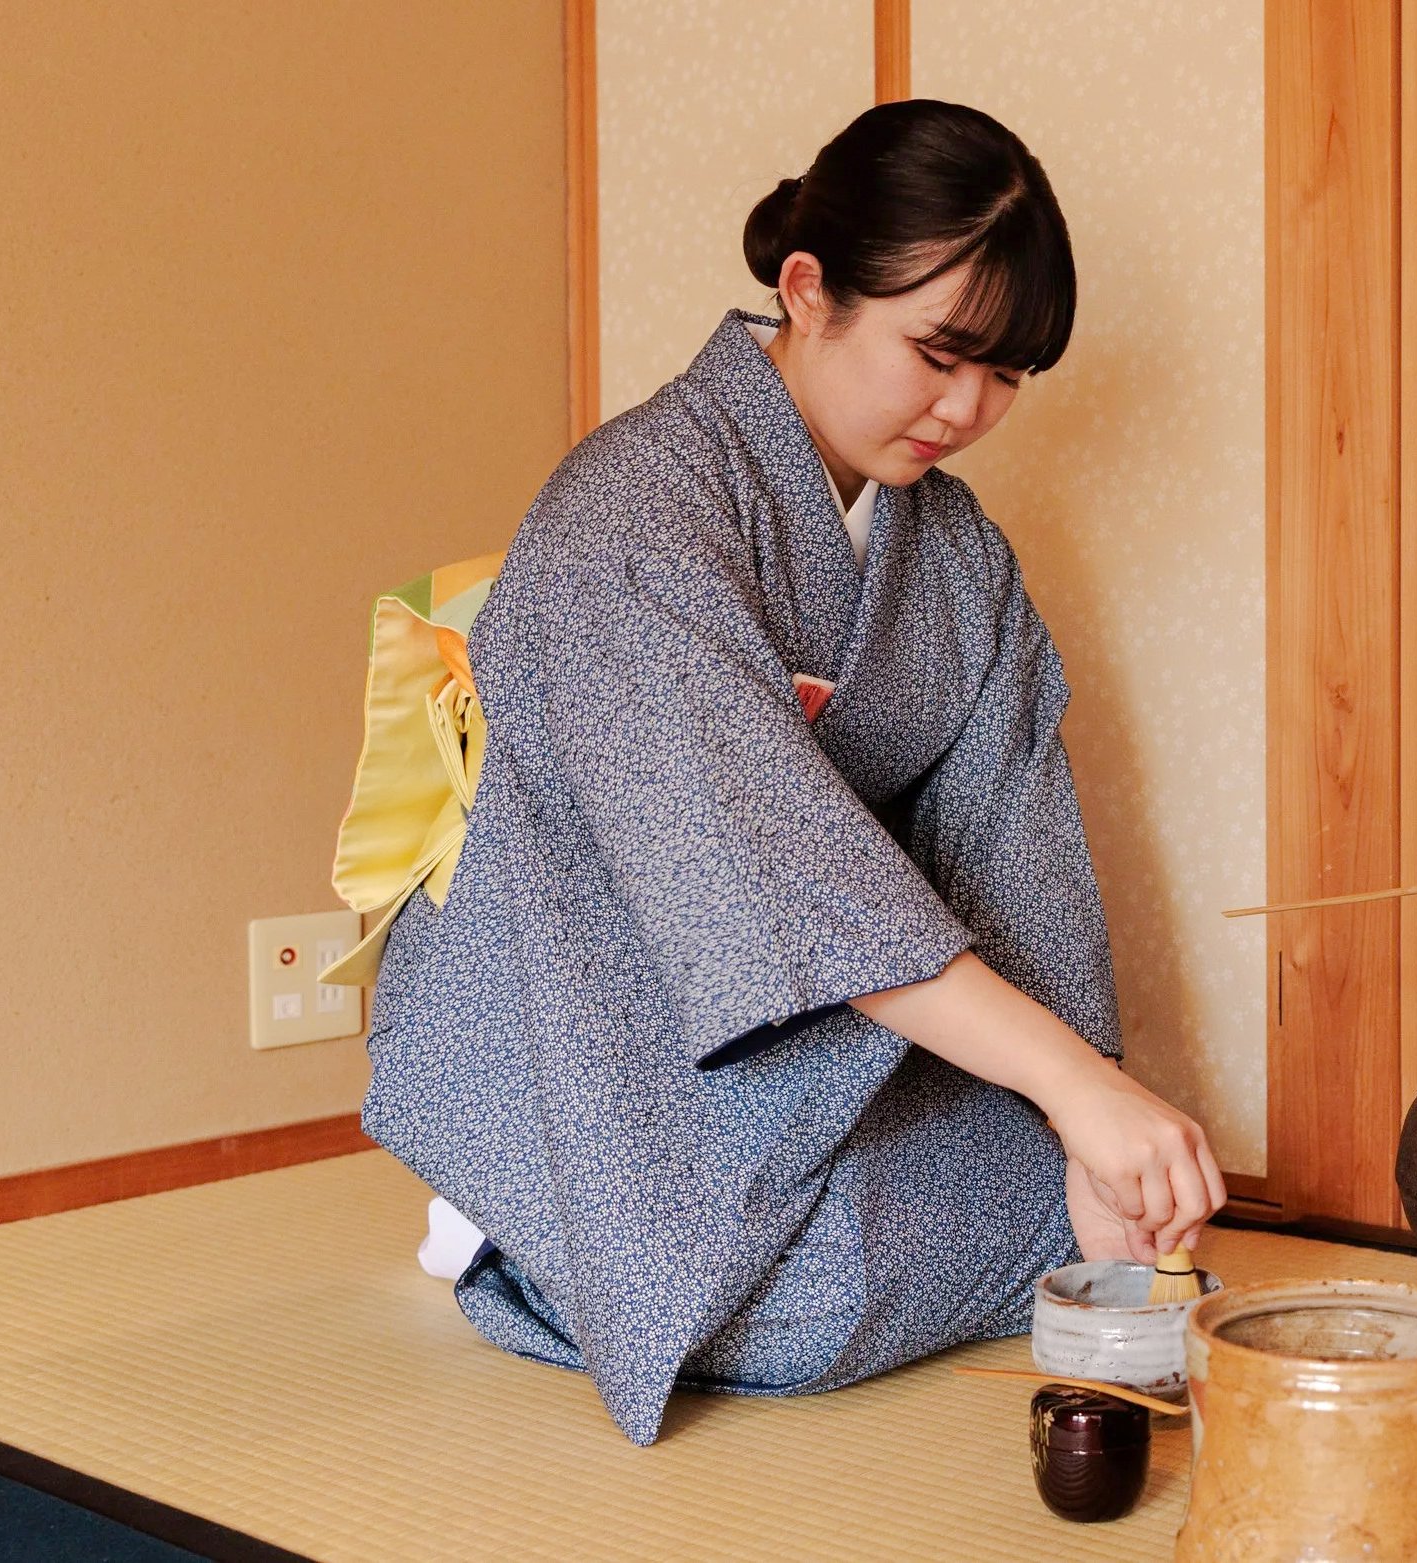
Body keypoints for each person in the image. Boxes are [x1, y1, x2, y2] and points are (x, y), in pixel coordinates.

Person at [358, 99, 1225, 1446]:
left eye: (1006, 376)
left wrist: (1082, 1108)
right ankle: (507, 1211)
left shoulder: (957, 555)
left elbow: (1016, 845)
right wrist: (1067, 1086)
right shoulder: (631, 516)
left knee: (1081, 1215)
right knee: (826, 1298)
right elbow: (759, 861)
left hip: (814, 1012)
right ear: (809, 290)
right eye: (940, 354)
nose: (968, 409)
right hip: (592, 999)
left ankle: (654, 1234)